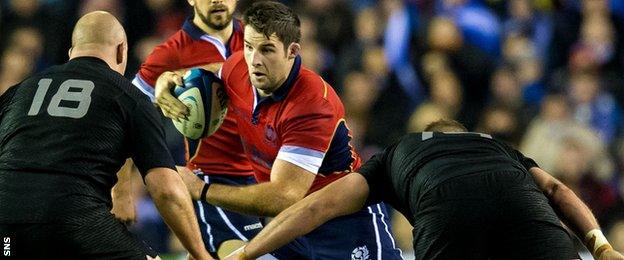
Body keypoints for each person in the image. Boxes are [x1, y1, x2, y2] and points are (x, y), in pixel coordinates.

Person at [156, 1, 403, 259]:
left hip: (343, 224)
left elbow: (284, 195)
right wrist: (168, 80)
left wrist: (202, 190)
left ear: (292, 51)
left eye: (267, 49)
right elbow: (204, 73)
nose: (255, 60)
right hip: (288, 229)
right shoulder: (238, 68)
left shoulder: (311, 103)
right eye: (249, 47)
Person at [227, 119, 624, 260]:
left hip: (445, 206)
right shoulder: (499, 148)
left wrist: (247, 251)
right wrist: (600, 245)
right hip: (523, 202)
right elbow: (555, 189)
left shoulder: (397, 153)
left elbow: (315, 207)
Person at [0, 11, 210, 260]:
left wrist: (121, 195)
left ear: (71, 52)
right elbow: (165, 190)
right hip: (74, 220)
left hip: (5, 226)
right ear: (122, 51)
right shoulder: (128, 97)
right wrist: (201, 255)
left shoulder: (18, 91)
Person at [114, 0, 261, 257]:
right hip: (213, 178)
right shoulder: (170, 52)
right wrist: (122, 189)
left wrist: (197, 71)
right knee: (245, 254)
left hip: (266, 175)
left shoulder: (257, 40)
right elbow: (123, 116)